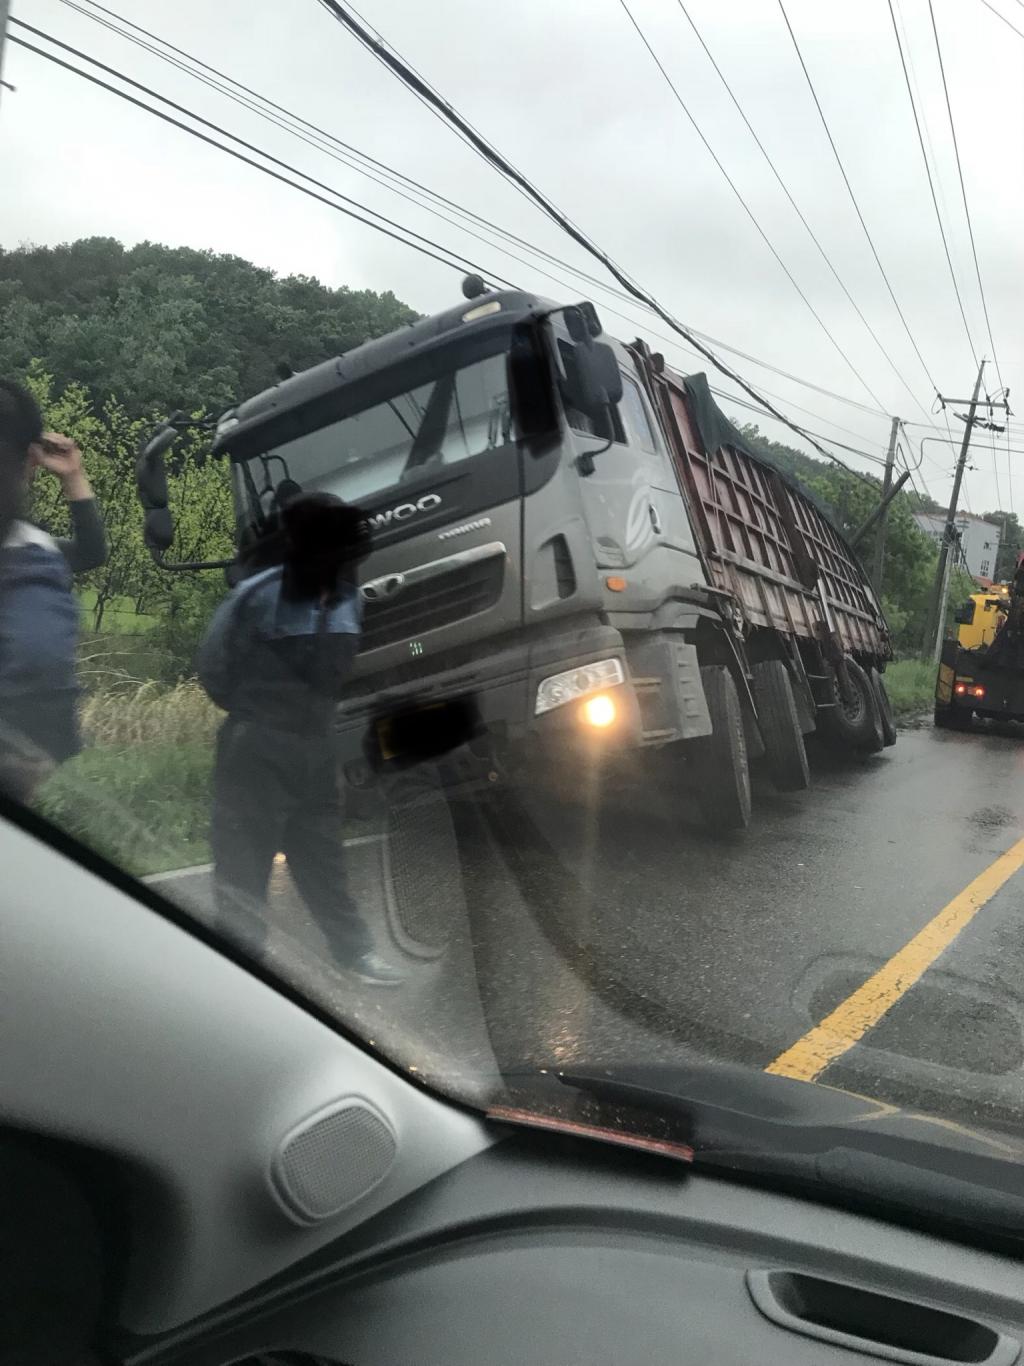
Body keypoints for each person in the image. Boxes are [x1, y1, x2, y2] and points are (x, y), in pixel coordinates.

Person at [197, 490, 402, 985]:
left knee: (324, 855)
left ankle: (355, 955)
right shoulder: (258, 592)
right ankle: (243, 971)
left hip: (314, 745)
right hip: (257, 745)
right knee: (244, 865)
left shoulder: (350, 598)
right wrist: (259, 715)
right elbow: (213, 666)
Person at [0, 380, 108, 801]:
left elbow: (89, 552)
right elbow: (40, 661)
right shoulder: (30, 559)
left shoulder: (29, 549)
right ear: (29, 461)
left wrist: (73, 476)